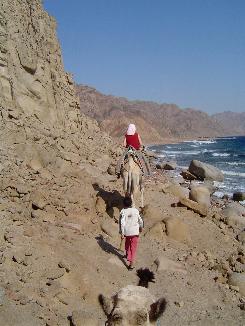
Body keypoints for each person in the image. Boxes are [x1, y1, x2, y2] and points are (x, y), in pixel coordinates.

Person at [119, 197, 144, 270]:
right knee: (133, 248)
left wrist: (122, 233)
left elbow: (122, 223)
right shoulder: (136, 210)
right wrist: (141, 227)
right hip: (135, 232)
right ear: (131, 203)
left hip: (127, 232)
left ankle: (127, 253)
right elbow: (140, 220)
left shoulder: (123, 211)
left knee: (127, 241)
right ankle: (131, 265)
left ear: (123, 204)